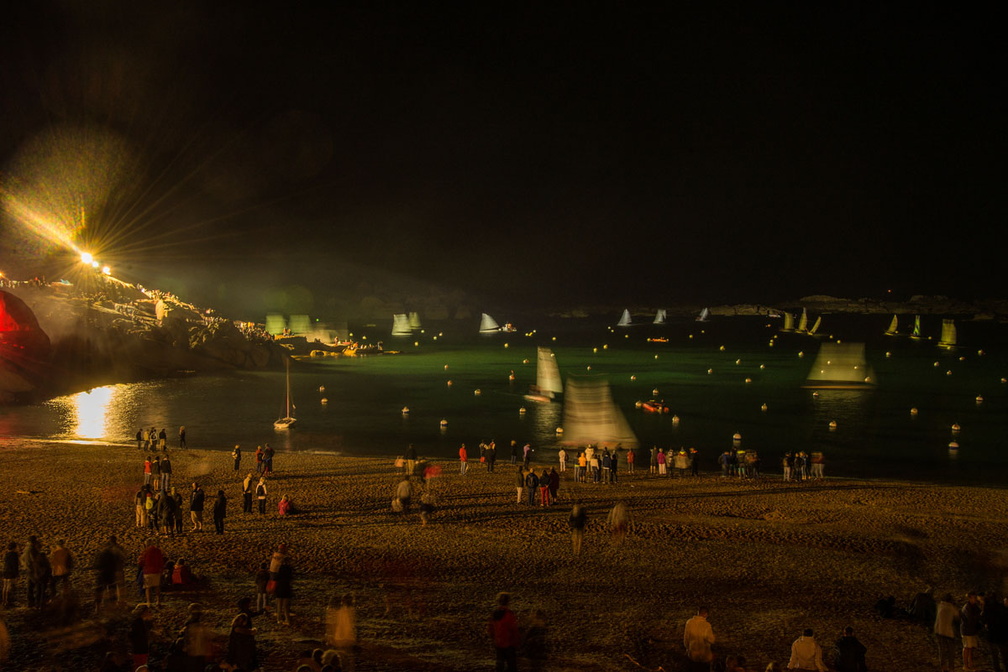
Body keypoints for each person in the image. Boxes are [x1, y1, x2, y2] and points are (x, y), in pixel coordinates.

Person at [488, 592, 519, 672]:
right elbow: (513, 629)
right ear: (508, 601)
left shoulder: (494, 614)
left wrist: (494, 639)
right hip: (509, 643)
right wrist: (517, 642)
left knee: (499, 665)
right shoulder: (509, 614)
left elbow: (490, 629)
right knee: (512, 666)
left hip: (498, 643)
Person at [137, 538, 165, 607]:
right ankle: (158, 601)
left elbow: (140, 562)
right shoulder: (158, 551)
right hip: (156, 571)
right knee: (157, 587)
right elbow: (161, 560)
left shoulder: (145, 551)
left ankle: (149, 602)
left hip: (147, 571)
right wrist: (161, 569)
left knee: (148, 588)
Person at [934, 592, 958, 672]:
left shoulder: (940, 606)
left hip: (939, 630)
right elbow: (957, 617)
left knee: (942, 650)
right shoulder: (951, 608)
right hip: (948, 632)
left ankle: (943, 667)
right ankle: (951, 667)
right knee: (951, 651)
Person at [128, 603, 154, 670]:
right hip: (140, 650)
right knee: (140, 666)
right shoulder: (138, 623)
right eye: (148, 612)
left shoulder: (140, 622)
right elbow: (137, 637)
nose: (150, 614)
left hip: (140, 650)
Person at [962, 591, 982, 672]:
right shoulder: (967, 607)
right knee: (967, 647)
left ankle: (970, 664)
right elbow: (971, 618)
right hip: (967, 630)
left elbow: (980, 614)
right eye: (974, 597)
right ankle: (965, 665)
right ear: (970, 598)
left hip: (972, 630)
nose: (975, 599)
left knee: (971, 648)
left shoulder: (974, 606)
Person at [274, 556, 293, 625]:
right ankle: (287, 620)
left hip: (279, 588)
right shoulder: (289, 569)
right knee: (286, 606)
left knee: (279, 605)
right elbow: (291, 578)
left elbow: (276, 577)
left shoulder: (280, 568)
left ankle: (279, 619)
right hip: (286, 588)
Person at [2, 542, 18, 608]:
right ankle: (8, 602)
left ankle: (4, 601)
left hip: (5, 571)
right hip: (11, 572)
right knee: (9, 587)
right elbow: (15, 565)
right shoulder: (14, 555)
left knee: (5, 587)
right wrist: (16, 574)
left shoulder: (5, 554)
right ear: (14, 547)